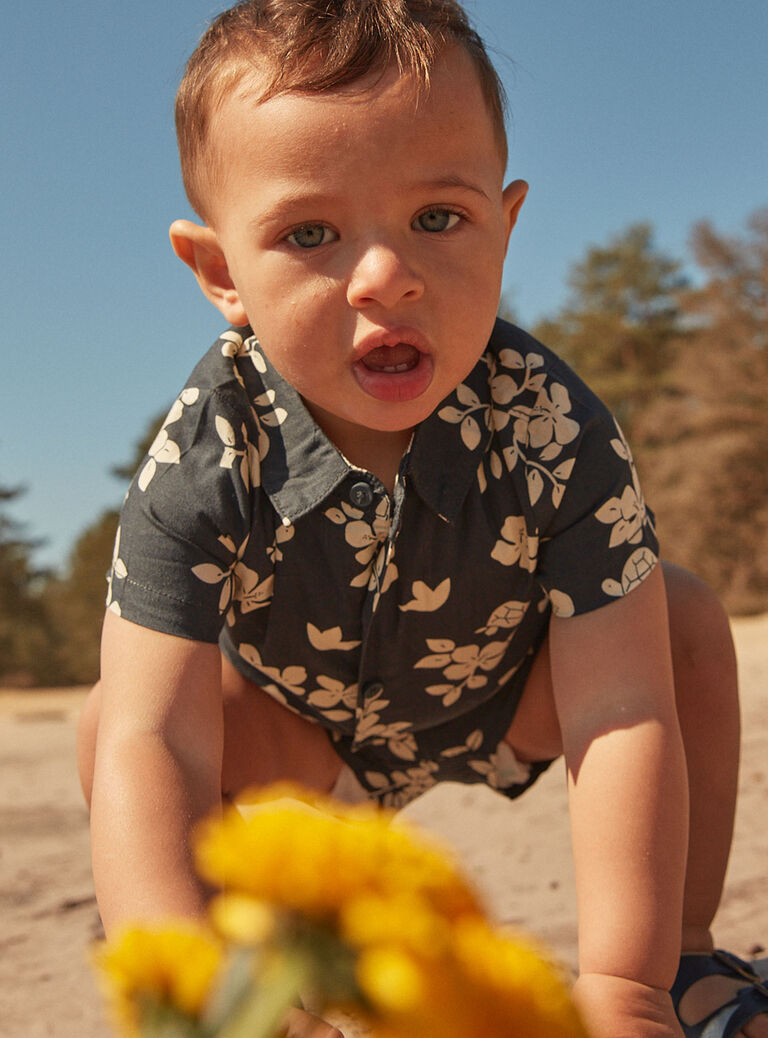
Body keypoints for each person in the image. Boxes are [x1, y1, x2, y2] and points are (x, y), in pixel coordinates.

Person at [78, 2, 768, 1036]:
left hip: (504, 694)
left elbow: (621, 708)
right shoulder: (204, 450)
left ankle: (675, 961)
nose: (385, 275)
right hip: (298, 732)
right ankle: (256, 1005)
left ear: (504, 223)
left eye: (437, 218)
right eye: (310, 233)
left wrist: (617, 987)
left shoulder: (554, 426)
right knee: (112, 726)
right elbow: (155, 742)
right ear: (222, 273)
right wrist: (184, 986)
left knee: (678, 622)